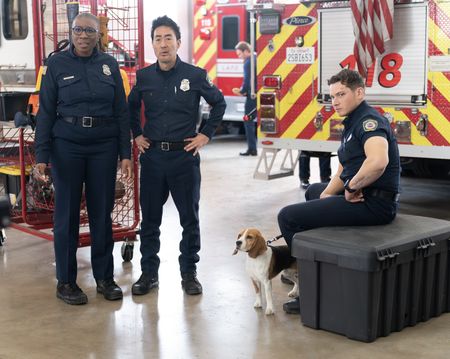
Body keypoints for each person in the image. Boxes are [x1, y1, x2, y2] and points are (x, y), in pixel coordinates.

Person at [278, 69, 400, 314]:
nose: (334, 101)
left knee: (287, 217)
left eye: (341, 94)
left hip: (374, 204)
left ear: (359, 93)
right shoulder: (351, 121)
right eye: (332, 96)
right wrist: (328, 194)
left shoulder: (369, 121)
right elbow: (345, 163)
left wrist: (351, 187)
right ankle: (315, 261)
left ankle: (310, 287)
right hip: (362, 195)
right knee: (314, 191)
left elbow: (378, 161)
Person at [34, 13, 132, 305]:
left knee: (102, 214)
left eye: (90, 30)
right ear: (72, 32)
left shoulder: (110, 65)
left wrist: (124, 153)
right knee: (66, 216)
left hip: (103, 146)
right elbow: (46, 112)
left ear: (97, 35)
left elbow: (122, 111)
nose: (84, 35)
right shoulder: (55, 65)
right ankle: (65, 282)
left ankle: (104, 278)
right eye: (78, 29)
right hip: (67, 147)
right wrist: (42, 156)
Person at [128, 16, 226, 296]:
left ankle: (189, 273)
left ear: (178, 42)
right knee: (150, 220)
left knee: (189, 219)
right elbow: (131, 107)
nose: (163, 44)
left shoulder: (194, 75)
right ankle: (148, 274)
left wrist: (206, 134)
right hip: (153, 158)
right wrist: (137, 134)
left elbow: (218, 102)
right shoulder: (144, 77)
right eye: (157, 39)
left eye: (168, 38)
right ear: (153, 45)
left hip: (184, 158)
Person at [232, 41, 257, 156]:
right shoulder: (257, 58)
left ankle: (252, 148)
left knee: (248, 120)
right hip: (261, 94)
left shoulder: (248, 62)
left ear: (246, 51)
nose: (239, 57)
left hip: (252, 96)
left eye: (240, 54)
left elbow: (247, 80)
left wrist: (241, 91)